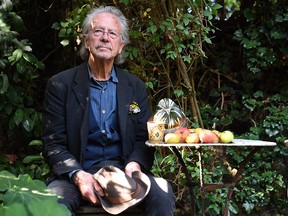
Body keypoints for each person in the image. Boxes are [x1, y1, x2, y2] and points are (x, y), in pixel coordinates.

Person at [42, 5, 175, 216]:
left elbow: (144, 138)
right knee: (52, 203)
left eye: (112, 33)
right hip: (78, 173)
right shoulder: (60, 85)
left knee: (163, 191)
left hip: (125, 174)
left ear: (121, 46)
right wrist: (78, 175)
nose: (105, 38)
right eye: (98, 31)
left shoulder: (135, 87)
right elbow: (53, 143)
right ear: (87, 41)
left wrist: (135, 164)